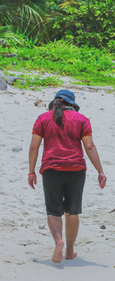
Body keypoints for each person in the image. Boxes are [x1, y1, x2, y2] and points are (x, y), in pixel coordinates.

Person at [28, 90, 106, 263]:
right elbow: (90, 146)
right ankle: (70, 251)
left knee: (53, 211)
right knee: (72, 212)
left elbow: (34, 147)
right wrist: (100, 170)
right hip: (76, 170)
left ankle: (58, 241)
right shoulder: (81, 119)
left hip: (51, 170)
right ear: (72, 104)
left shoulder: (43, 118)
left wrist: (31, 171)